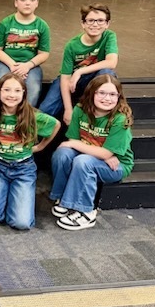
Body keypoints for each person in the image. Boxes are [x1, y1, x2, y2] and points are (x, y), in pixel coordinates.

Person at [50, 75, 134, 230]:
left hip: (117, 164)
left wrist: (103, 153)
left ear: (119, 97)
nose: (107, 98)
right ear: (92, 93)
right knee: (63, 154)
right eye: (101, 93)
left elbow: (104, 154)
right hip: (96, 155)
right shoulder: (80, 110)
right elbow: (72, 143)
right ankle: (63, 198)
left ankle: (86, 212)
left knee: (83, 161)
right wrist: (100, 153)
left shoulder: (120, 119)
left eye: (112, 94)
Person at [0, 73, 60, 230]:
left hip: (23, 169)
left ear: (24, 93)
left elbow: (55, 125)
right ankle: (3, 195)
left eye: (17, 90)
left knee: (21, 223)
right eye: (6, 90)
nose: (11, 95)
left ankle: (12, 197)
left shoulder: (32, 115)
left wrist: (41, 146)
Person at [39, 3, 118, 125]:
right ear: (83, 23)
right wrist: (68, 109)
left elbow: (112, 62)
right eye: (90, 20)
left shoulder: (109, 36)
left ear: (107, 24)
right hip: (72, 82)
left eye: (100, 21)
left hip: (92, 79)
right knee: (46, 110)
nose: (95, 24)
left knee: (106, 73)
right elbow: (65, 78)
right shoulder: (72, 45)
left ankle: (100, 116)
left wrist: (80, 71)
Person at [0, 0, 50, 107]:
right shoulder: (6, 23)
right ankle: (1, 118)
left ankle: (24, 120)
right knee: (2, 85)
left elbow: (44, 53)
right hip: (6, 63)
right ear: (16, 2)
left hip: (30, 65)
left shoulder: (42, 26)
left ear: (37, 3)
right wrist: (12, 65)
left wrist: (27, 66)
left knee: (33, 88)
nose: (27, 3)